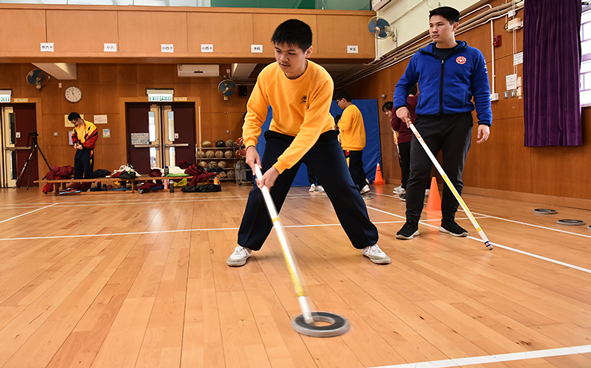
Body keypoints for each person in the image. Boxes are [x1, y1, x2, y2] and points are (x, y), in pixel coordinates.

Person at [227, 19, 390, 267]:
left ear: (308, 52)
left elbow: (309, 131)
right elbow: (254, 113)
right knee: (264, 190)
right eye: (278, 51)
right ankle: (245, 244)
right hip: (281, 135)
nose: (283, 59)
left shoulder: (322, 80)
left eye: (291, 53)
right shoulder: (268, 75)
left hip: (320, 137)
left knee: (344, 188)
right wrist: (250, 144)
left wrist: (278, 168)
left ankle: (368, 242)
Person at [393, 6, 491, 240]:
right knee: (417, 173)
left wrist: (485, 120)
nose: (434, 30)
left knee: (454, 174)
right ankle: (411, 223)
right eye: (431, 25)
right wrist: (400, 106)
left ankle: (448, 221)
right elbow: (402, 85)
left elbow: (482, 91)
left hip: (459, 122)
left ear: (455, 26)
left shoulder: (472, 56)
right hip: (426, 122)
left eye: (440, 25)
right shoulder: (421, 56)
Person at [383, 84, 418, 201]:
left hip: (405, 139)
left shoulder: (399, 104)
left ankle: (409, 192)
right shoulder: (421, 100)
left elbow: (395, 124)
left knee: (406, 166)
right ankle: (423, 188)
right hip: (420, 138)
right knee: (419, 165)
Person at [334, 90, 370, 195]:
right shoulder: (355, 109)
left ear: (343, 100)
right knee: (357, 165)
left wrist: (338, 122)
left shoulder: (349, 110)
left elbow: (345, 126)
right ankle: (363, 184)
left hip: (351, 144)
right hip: (357, 143)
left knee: (352, 168)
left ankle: (357, 188)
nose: (338, 104)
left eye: (338, 102)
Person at [69, 112, 98, 186]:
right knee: (78, 167)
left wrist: (84, 146)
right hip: (79, 150)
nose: (74, 124)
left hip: (88, 150)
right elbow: (74, 136)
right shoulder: (76, 128)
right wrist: (75, 143)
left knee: (87, 168)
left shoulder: (90, 126)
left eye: (74, 122)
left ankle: (87, 186)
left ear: (79, 119)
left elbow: (93, 138)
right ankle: (76, 185)